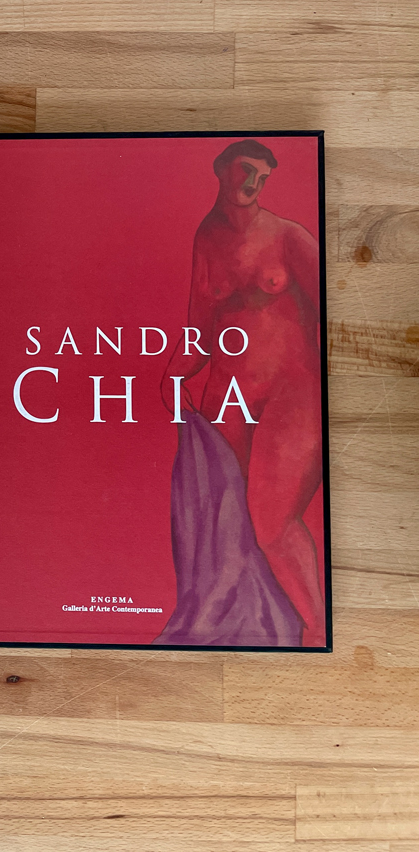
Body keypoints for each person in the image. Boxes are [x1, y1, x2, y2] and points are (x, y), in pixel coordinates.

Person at [160, 139, 324, 646]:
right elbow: (200, 330)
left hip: (290, 399)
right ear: (221, 170)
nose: (253, 183)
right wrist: (172, 376)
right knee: (227, 526)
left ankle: (318, 632)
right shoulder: (206, 238)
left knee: (272, 523)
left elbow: (336, 319)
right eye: (246, 170)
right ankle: (258, 634)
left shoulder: (289, 237)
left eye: (263, 176)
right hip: (228, 399)